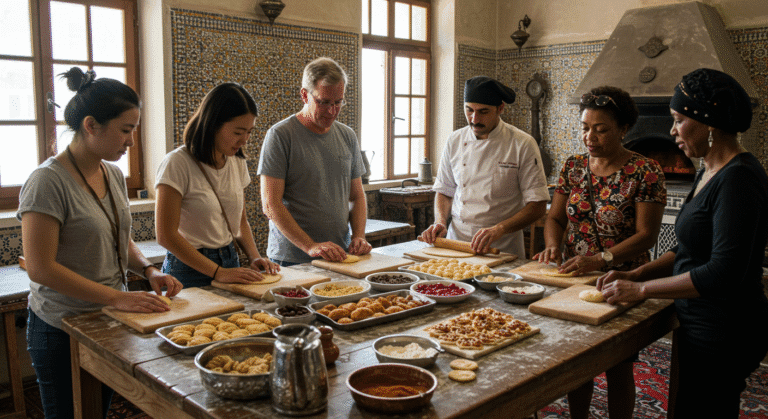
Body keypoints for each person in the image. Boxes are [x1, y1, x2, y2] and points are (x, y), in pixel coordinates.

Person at [598, 68, 768, 419]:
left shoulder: (739, 179)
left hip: (725, 329)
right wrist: (638, 275)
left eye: (679, 120)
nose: (672, 130)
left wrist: (642, 292)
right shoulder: (709, 169)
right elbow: (687, 250)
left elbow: (723, 271)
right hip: (699, 320)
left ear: (709, 123)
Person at [17, 67, 183, 418]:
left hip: (107, 320)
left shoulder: (112, 173)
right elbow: (40, 267)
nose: (131, 142)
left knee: (96, 411)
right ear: (91, 125)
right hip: (61, 326)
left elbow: (118, 236)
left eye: (134, 130)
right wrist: (119, 297)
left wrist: (149, 269)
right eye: (126, 130)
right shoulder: (47, 181)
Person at [534, 85, 667, 419]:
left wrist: (601, 259)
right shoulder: (573, 167)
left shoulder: (645, 171)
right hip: (574, 278)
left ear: (623, 129)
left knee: (617, 365)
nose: (589, 136)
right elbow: (554, 217)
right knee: (577, 361)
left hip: (620, 280)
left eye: (601, 129)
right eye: (584, 127)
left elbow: (646, 236)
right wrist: (552, 245)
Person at [155, 83, 279, 288]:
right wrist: (216, 272)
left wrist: (254, 256)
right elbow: (166, 235)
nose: (244, 140)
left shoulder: (236, 161)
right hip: (188, 267)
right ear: (213, 124)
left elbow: (239, 223)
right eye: (238, 132)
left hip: (230, 259)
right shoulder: (177, 163)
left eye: (249, 132)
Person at [258, 57, 371, 265]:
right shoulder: (281, 135)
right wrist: (310, 246)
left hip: (339, 253)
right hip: (293, 258)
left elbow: (356, 196)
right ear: (304, 95)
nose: (332, 111)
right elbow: (270, 204)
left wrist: (359, 236)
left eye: (338, 102)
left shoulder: (347, 136)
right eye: (323, 102)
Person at [420, 76, 549, 256]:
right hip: (456, 243)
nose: (474, 118)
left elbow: (537, 205)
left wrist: (499, 229)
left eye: (483, 111)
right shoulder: (455, 140)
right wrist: (440, 221)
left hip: (501, 246)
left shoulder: (522, 144)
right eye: (469, 110)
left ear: (500, 109)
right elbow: (444, 189)